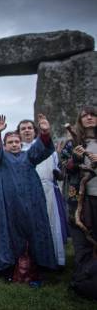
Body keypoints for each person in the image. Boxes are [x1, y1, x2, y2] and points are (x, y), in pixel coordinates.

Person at [0, 114, 57, 286]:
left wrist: (45, 132)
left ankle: (35, 268)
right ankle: (8, 268)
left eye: (17, 142)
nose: (15, 144)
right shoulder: (0, 158)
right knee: (8, 234)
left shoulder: (29, 156)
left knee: (33, 232)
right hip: (7, 204)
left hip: (31, 203)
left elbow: (43, 148)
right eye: (10, 142)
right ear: (5, 145)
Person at [59, 106, 97, 299]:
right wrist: (75, 158)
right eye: (85, 115)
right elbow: (63, 168)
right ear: (79, 121)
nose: (89, 117)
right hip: (79, 199)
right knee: (82, 241)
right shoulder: (72, 143)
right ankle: (82, 282)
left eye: (93, 114)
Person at [18, 119, 66, 267]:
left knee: (51, 225)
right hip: (28, 194)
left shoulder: (47, 149)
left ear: (35, 131)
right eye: (23, 129)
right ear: (19, 133)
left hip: (47, 191)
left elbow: (57, 171)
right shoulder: (17, 151)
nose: (27, 131)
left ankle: (54, 260)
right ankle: (31, 262)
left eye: (30, 128)